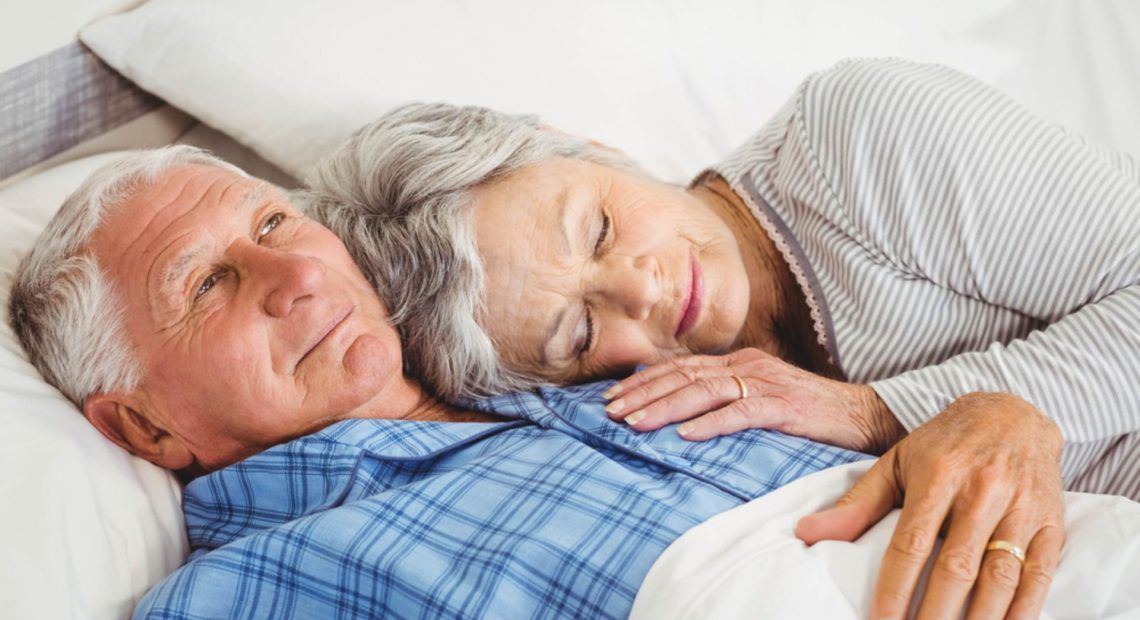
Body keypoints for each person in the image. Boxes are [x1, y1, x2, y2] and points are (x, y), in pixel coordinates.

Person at [304, 58, 1140, 616]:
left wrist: (885, 409)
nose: (643, 286)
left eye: (596, 226)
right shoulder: (655, 415)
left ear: (600, 149)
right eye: (582, 328)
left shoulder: (855, 136)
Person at [8, 147, 996, 618]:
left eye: (274, 225)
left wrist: (989, 418)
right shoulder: (237, 597)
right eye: (210, 283)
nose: (300, 274)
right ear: (144, 423)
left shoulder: (556, 363)